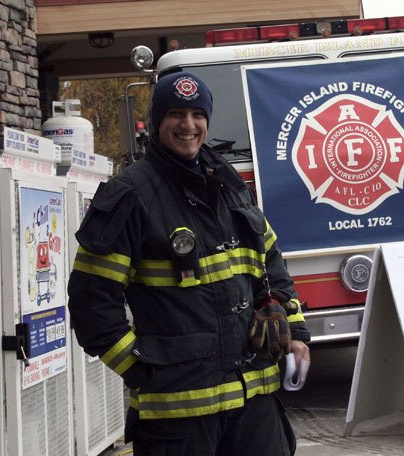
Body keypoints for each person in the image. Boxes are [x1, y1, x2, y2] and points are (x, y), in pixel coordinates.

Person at [68, 71, 310, 455]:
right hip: (179, 415)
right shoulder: (130, 195)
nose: (188, 125)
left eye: (197, 115)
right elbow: (91, 300)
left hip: (254, 402)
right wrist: (140, 369)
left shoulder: (229, 185)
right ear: (158, 122)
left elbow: (269, 262)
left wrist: (289, 324)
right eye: (176, 114)